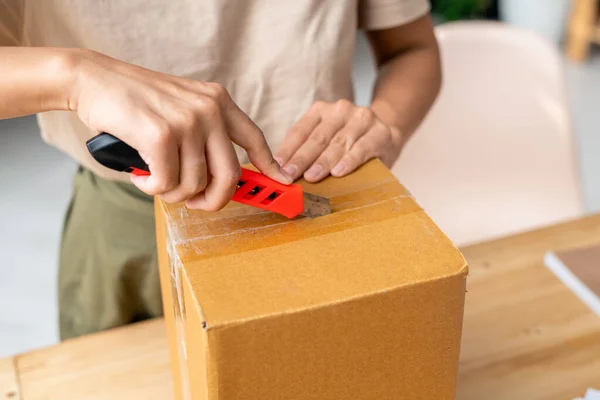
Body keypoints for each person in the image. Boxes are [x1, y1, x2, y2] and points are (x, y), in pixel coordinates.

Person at [0, 0, 441, 339]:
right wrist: (74, 76)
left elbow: (413, 49)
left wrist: (388, 121)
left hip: (320, 209)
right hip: (125, 228)